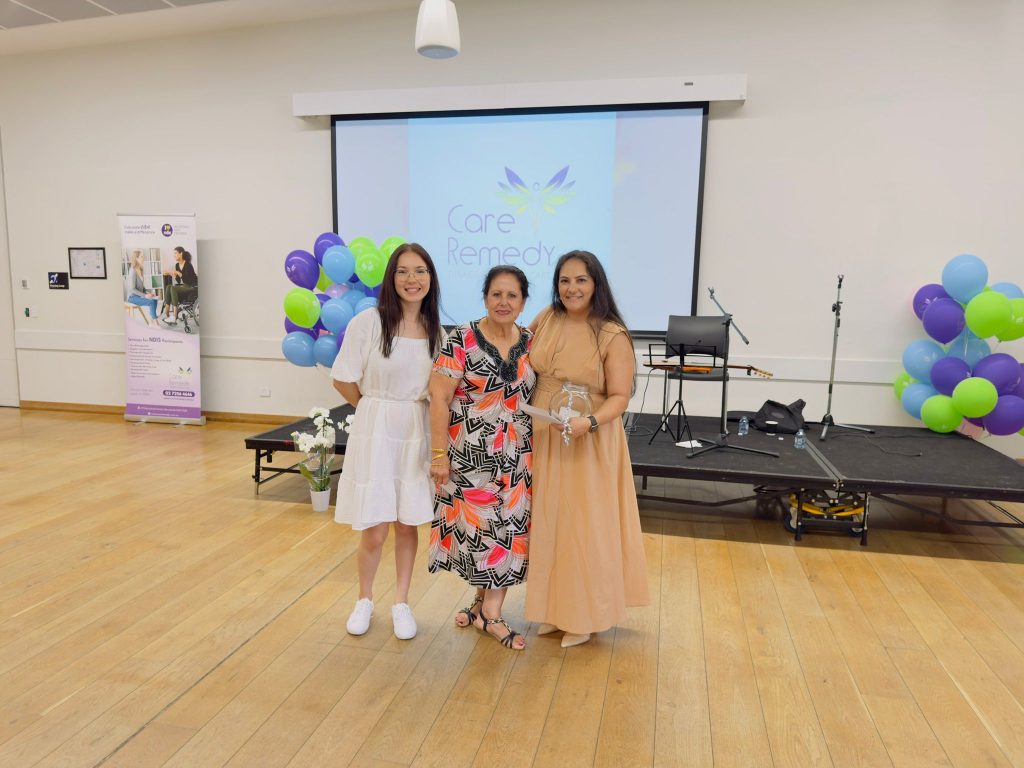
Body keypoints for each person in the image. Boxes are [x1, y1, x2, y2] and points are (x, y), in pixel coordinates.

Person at [525, 250, 649, 648]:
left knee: (584, 526)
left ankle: (584, 616)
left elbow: (619, 396)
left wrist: (589, 422)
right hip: (546, 432)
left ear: (596, 284)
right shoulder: (547, 317)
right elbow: (518, 356)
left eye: (580, 280)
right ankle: (554, 610)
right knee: (551, 521)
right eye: (564, 280)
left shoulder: (611, 333)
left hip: (588, 438)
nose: (571, 288)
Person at [331, 243, 443, 640]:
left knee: (408, 523)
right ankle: (364, 599)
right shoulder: (368, 322)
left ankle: (401, 602)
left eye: (420, 271)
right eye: (403, 271)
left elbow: (439, 391)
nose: (412, 279)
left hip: (415, 429)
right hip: (377, 429)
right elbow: (343, 377)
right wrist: (372, 410)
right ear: (391, 277)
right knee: (375, 526)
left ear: (431, 278)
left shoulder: (436, 330)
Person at [428, 266, 536, 651]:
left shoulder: (531, 341)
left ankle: (488, 610)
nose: (503, 302)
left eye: (512, 295)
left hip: (517, 456)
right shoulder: (461, 339)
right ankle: (485, 609)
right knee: (480, 533)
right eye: (496, 294)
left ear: (524, 301)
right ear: (485, 297)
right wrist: (438, 455)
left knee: (507, 531)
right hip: (469, 455)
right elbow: (438, 398)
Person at [161, 247, 198, 325]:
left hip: (192, 286)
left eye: (175, 253)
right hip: (185, 285)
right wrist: (174, 275)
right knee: (168, 287)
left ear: (181, 253)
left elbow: (188, 280)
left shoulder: (188, 264)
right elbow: (179, 280)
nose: (174, 255)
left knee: (173, 288)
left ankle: (174, 317)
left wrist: (178, 273)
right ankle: (167, 313)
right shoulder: (177, 265)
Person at [125, 250, 158, 323]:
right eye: (141, 257)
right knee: (151, 302)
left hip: (138, 296)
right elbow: (132, 289)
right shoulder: (132, 271)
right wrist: (145, 295)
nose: (143, 258)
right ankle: (155, 322)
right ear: (136, 258)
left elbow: (142, 287)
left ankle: (152, 320)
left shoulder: (140, 269)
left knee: (154, 299)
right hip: (132, 298)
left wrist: (149, 293)